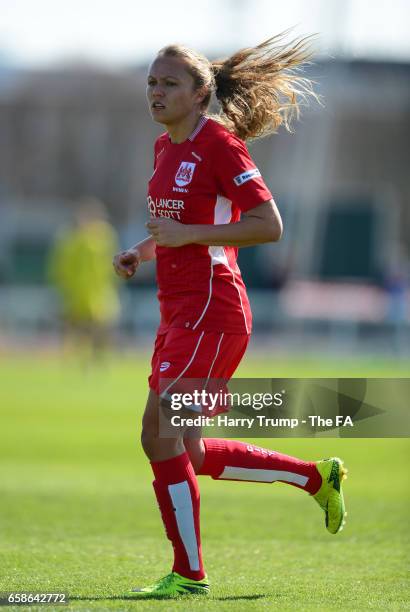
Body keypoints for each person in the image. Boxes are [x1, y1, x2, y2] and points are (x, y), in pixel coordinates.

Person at [113, 31, 347, 599]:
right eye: (151, 82)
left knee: (157, 434)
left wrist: (188, 234)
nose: (156, 91)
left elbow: (269, 226)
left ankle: (189, 575)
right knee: (186, 449)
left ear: (200, 94)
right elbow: (176, 229)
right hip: (179, 312)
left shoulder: (220, 144)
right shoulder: (163, 148)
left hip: (213, 311)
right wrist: (142, 252)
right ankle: (318, 478)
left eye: (169, 83)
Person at [49, 196, 120, 364]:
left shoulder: (104, 236)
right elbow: (61, 265)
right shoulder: (71, 238)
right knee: (76, 329)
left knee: (100, 328)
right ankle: (76, 360)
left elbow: (110, 262)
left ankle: (98, 361)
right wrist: (64, 287)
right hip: (76, 293)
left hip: (99, 293)